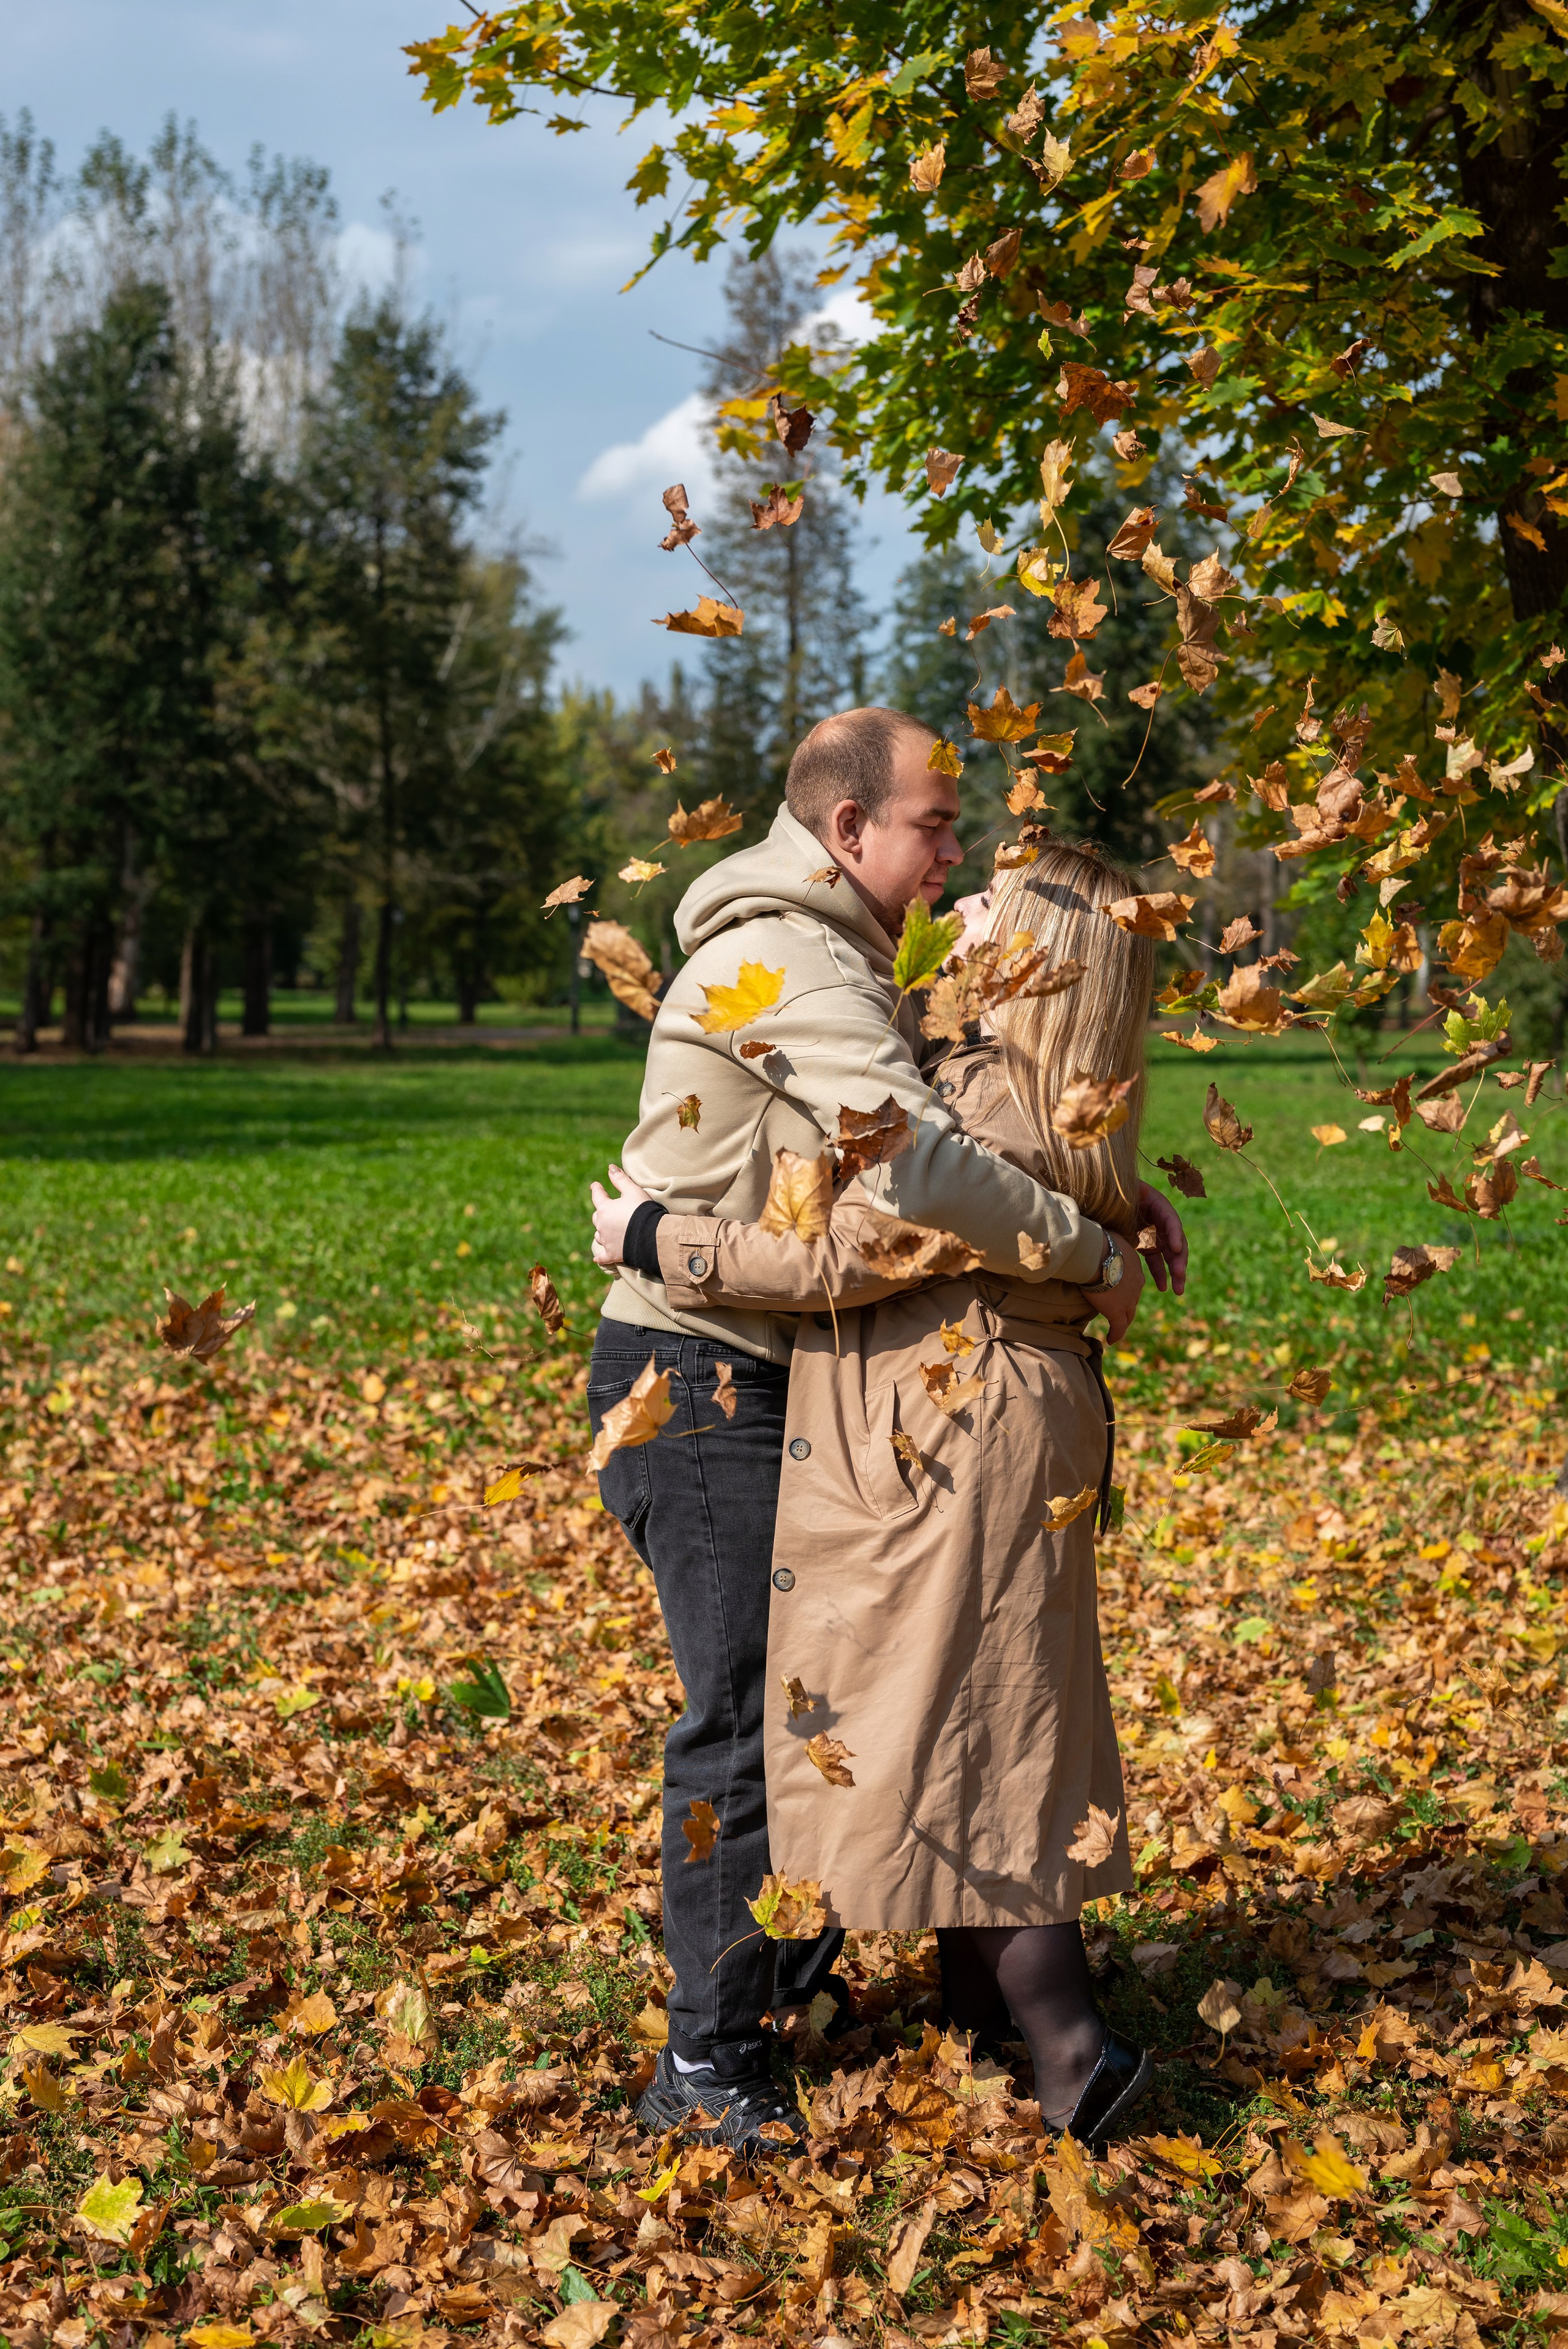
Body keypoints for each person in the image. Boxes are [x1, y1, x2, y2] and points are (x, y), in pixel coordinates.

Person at [586, 709, 1186, 2154]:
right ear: (847, 829)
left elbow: (958, 1142)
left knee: (830, 1704)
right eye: (932, 824)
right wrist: (1085, 1244)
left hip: (773, 1364)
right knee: (748, 1719)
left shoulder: (848, 956)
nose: (951, 852)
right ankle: (711, 2058)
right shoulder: (789, 956)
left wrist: (1103, 1208)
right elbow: (917, 1170)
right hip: (704, 1372)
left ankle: (804, 1976)